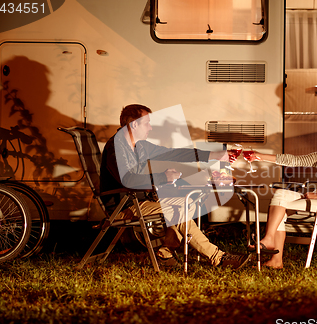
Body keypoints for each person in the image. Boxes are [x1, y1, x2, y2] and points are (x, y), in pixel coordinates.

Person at [100, 104, 250, 269]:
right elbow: (127, 179)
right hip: (124, 206)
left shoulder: (140, 146)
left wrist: (212, 155)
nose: (150, 127)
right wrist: (162, 177)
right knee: (181, 209)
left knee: (189, 201)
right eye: (147, 123)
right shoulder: (116, 147)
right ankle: (218, 257)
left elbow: (174, 153)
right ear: (134, 124)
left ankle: (165, 252)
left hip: (139, 200)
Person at [247, 112, 317, 269]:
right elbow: (294, 160)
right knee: (281, 194)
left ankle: (271, 244)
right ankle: (274, 254)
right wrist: (259, 156)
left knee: (281, 203)